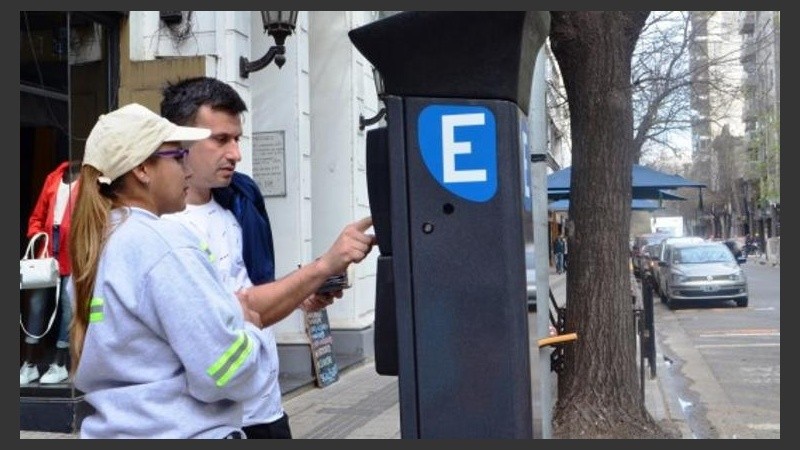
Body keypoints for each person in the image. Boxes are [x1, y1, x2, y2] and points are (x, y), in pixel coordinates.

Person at [69, 103, 375, 438]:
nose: (187, 167)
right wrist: (250, 326)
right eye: (178, 155)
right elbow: (223, 372)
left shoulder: (101, 241)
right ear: (143, 168)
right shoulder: (163, 243)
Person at [160, 76, 359, 438]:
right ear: (178, 142)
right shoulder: (156, 227)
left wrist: (303, 296)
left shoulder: (242, 198)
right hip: (207, 421)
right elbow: (232, 311)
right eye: (220, 139)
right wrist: (321, 267)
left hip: (266, 406)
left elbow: (253, 288)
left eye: (237, 139)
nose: (235, 153)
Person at [20, 160, 80, 385]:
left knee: (67, 307)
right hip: (47, 251)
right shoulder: (54, 178)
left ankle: (60, 362)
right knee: (36, 305)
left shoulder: (90, 181)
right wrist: (36, 233)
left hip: (72, 252)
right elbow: (38, 215)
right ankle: (30, 363)